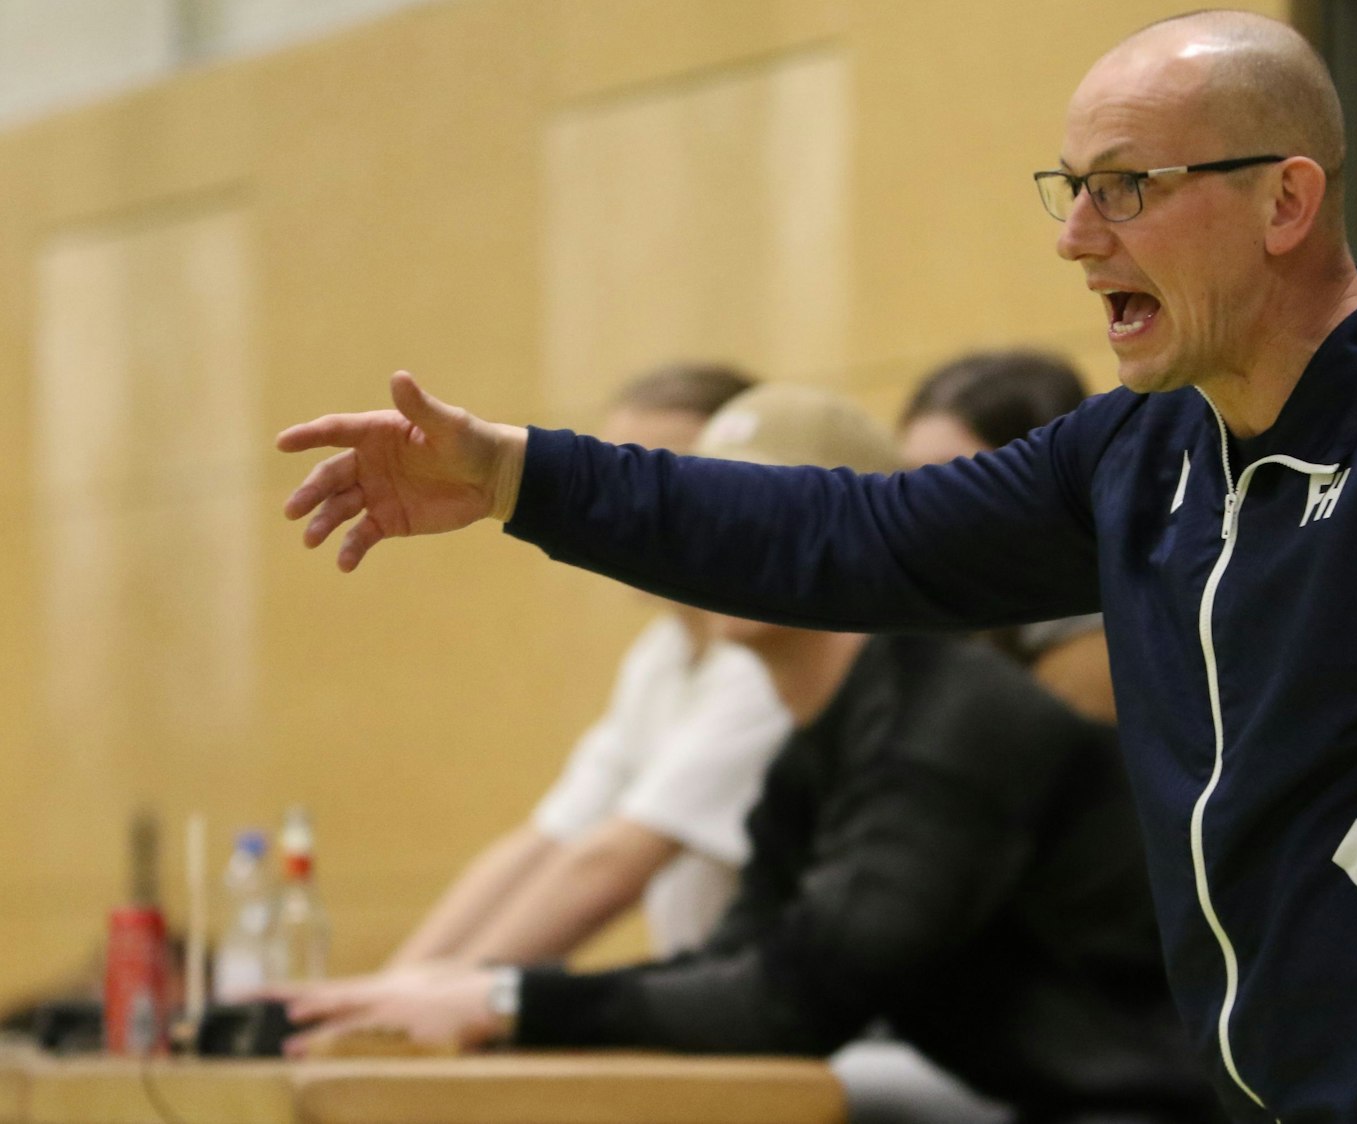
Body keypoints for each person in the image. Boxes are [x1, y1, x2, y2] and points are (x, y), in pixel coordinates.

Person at [273, 11, 1357, 1124]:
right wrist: (518, 475)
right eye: (1066, 188)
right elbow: (842, 535)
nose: (1076, 237)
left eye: (1124, 188)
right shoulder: (1147, 458)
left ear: (1283, 201)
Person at [278, 385, 1224, 1124]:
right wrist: (469, 994)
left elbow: (796, 1001)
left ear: (824, 536)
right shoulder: (809, 758)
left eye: (742, 527)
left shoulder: (949, 723)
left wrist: (503, 997)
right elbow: (735, 964)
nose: (713, 561)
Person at [386, 363, 791, 968]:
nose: (632, 503)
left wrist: (433, 1001)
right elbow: (549, 840)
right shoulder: (660, 657)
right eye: (616, 473)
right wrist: (397, 985)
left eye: (664, 476)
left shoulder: (770, 658)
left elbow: (612, 865)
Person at [898, 349, 1115, 724]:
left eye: (953, 477)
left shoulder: (1095, 651)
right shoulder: (940, 616)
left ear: (1040, 480)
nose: (922, 506)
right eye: (909, 479)